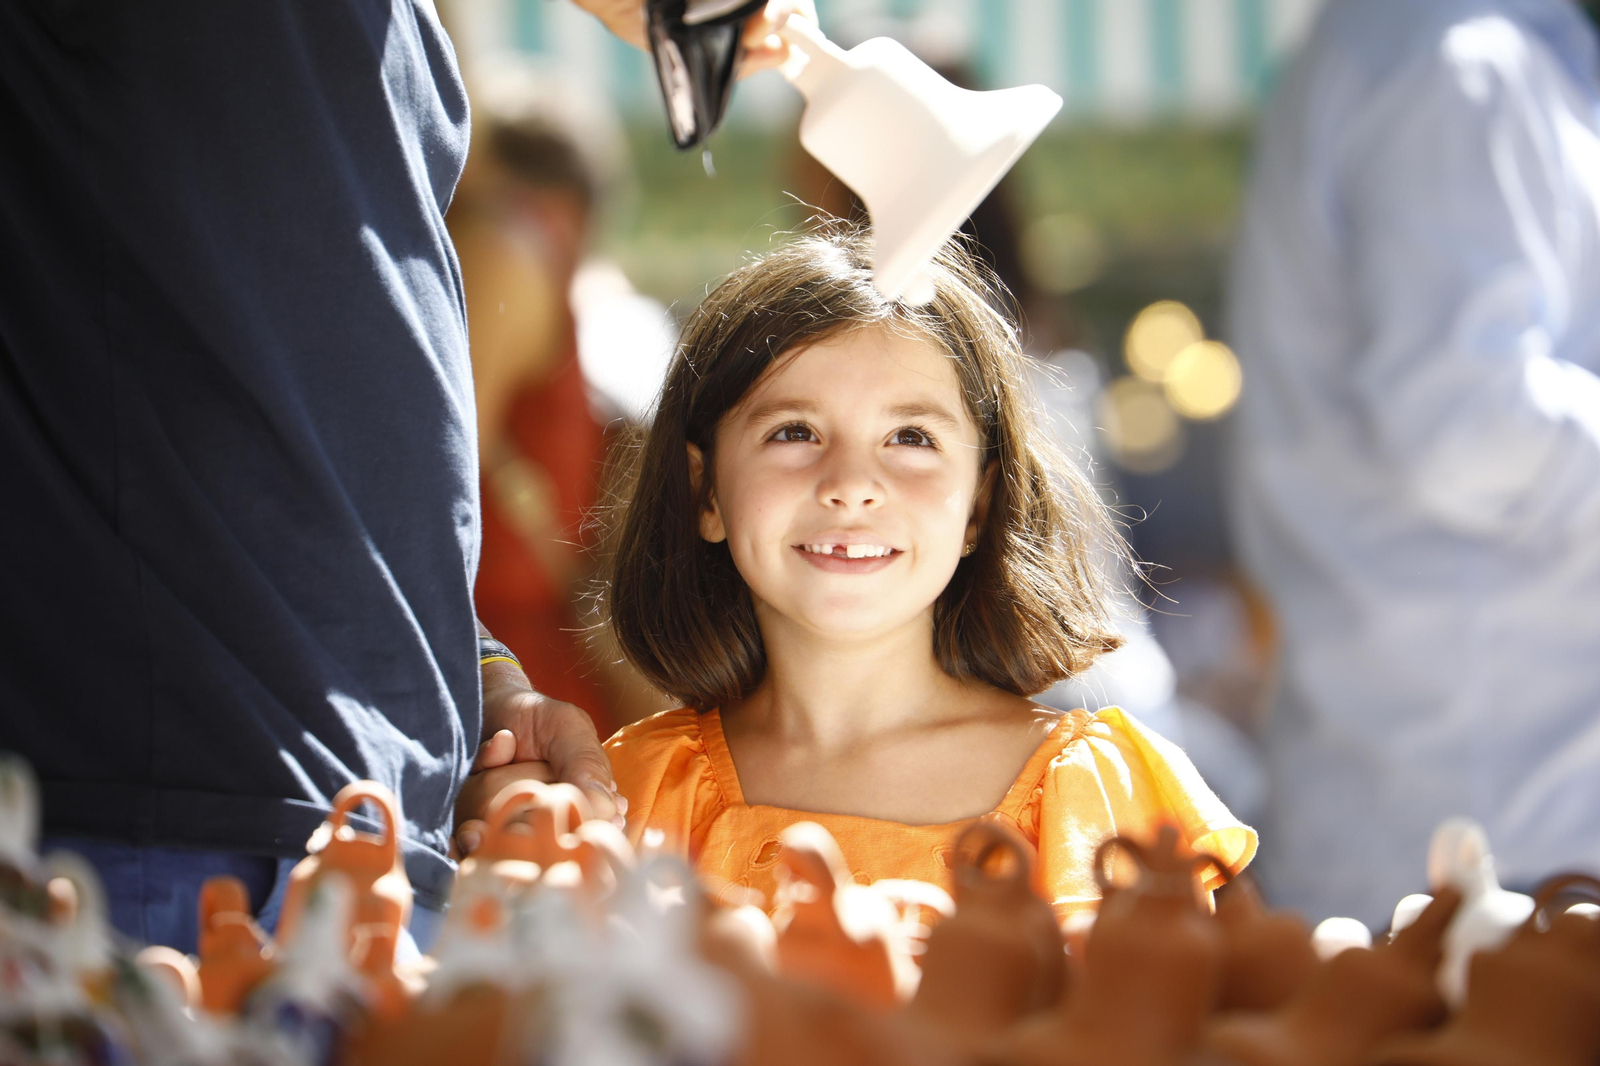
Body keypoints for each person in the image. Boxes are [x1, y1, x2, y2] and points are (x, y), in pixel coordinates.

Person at [599, 228, 1256, 918]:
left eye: (911, 438)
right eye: (794, 431)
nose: (851, 484)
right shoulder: (630, 792)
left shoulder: (1095, 793)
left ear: (979, 504)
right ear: (705, 493)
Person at [1228, 0, 1600, 926]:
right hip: (1500, 835)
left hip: (1448, 810)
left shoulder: (1411, 51)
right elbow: (1469, 426)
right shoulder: (1456, 65)